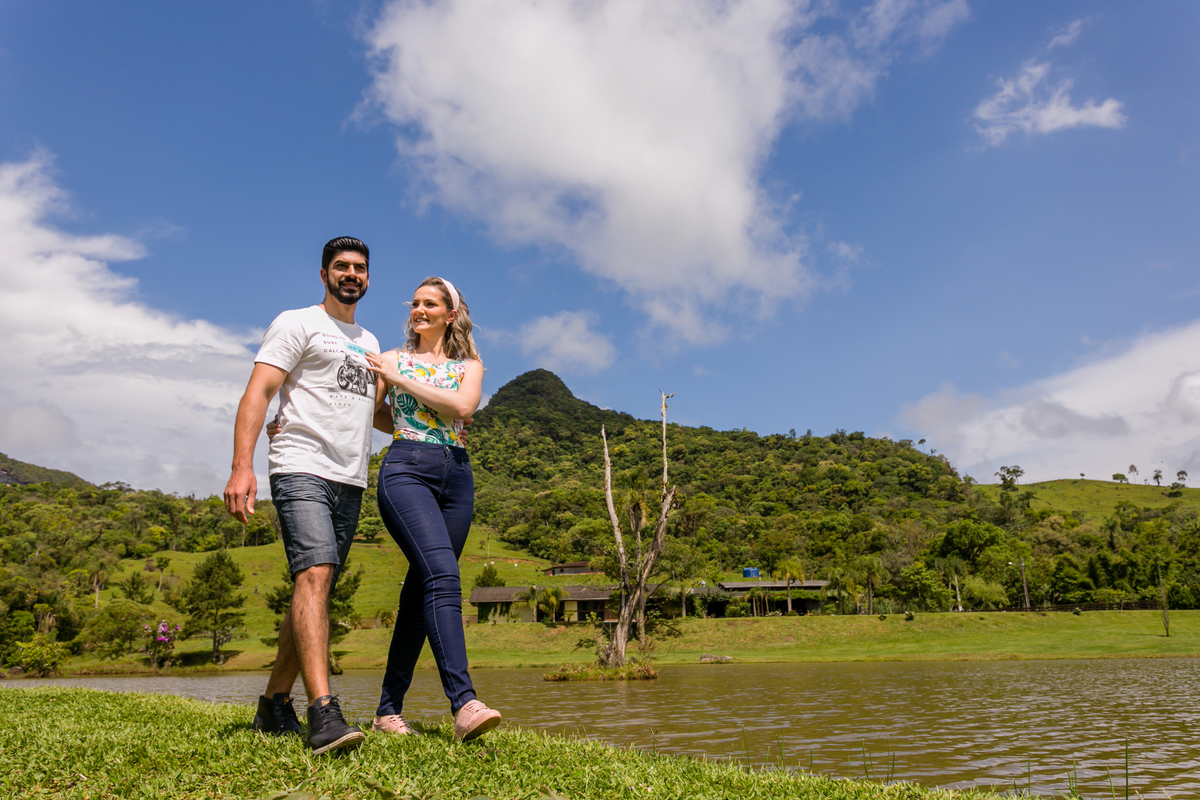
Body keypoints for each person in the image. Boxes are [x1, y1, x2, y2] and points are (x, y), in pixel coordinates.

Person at [223, 236, 379, 755]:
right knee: (314, 574)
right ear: (324, 274)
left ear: (368, 278)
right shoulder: (297, 322)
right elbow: (259, 391)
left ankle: (273, 704)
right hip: (300, 465)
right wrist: (241, 467)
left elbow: (377, 412)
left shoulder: (370, 342)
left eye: (359, 268)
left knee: (317, 588)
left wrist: (442, 415)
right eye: (342, 266)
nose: (351, 274)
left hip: (351, 478)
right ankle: (324, 713)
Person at [364, 276, 501, 741]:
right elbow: (373, 412)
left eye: (430, 304)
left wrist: (401, 382)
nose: (419, 310)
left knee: (419, 592)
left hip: (457, 475)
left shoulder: (469, 366)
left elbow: (463, 407)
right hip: (406, 468)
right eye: (415, 303)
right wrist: (409, 411)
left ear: (450, 314)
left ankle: (387, 712)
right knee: (443, 576)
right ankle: (464, 704)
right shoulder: (392, 359)